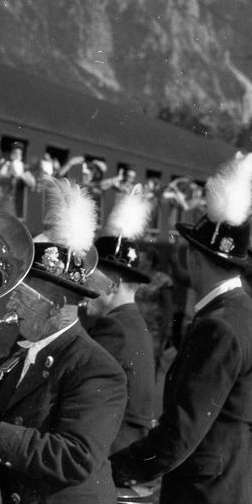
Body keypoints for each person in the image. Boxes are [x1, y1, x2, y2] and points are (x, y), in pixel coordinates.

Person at [112, 153, 252, 504]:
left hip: (212, 498)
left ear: (194, 258)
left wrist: (115, 468)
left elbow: (182, 432)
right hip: (242, 493)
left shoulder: (218, 325)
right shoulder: (249, 315)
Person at [0, 178, 127, 504]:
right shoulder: (20, 352)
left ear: (56, 301)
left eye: (23, 294)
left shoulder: (94, 367)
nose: (11, 302)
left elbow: (75, 456)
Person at [82, 193, 157, 453]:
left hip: (114, 451)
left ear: (113, 284)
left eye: (91, 276)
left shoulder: (114, 329)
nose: (83, 285)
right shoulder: (129, 323)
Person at [0, 142, 36, 216]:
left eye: (19, 154)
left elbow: (32, 185)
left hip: (14, 202)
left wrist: (22, 176)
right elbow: (0, 178)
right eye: (15, 153)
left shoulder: (23, 169)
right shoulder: (5, 165)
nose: (17, 156)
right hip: (4, 200)